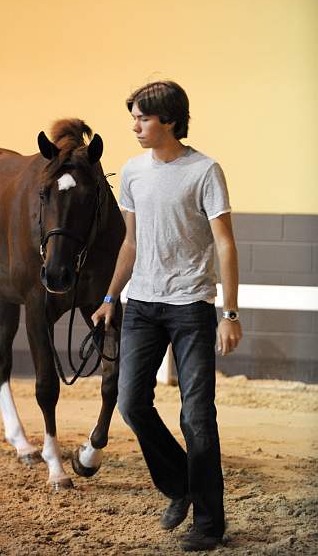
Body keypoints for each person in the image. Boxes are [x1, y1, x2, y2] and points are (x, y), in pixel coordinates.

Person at [92, 80, 242, 552]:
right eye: (133, 117)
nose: (135, 126)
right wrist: (111, 297)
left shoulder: (205, 171)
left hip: (192, 307)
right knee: (131, 402)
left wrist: (230, 312)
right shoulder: (133, 172)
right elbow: (131, 242)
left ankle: (209, 523)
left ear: (170, 121)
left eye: (143, 118)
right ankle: (181, 485)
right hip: (141, 305)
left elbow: (225, 243)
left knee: (197, 416)